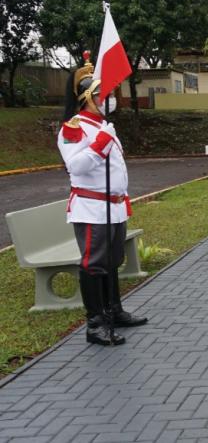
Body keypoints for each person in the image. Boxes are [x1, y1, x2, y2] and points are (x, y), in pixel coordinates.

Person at [58, 54, 147, 346]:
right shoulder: (74, 127)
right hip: (92, 207)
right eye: (101, 94)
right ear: (86, 97)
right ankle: (95, 324)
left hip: (115, 206)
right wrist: (100, 142)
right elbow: (77, 167)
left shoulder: (102, 125)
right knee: (93, 264)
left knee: (112, 261)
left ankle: (114, 311)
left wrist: (104, 137)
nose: (108, 98)